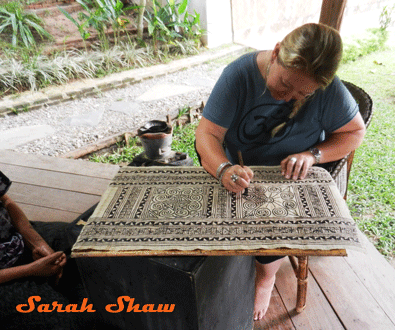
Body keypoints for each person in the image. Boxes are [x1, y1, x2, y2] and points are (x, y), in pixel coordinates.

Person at [195, 23, 366, 320]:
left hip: (286, 173)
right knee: (214, 222)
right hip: (236, 163)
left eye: (303, 93)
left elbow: (354, 132)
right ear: (275, 54)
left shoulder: (330, 91)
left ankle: (266, 276)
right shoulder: (239, 75)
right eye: (285, 85)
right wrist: (223, 168)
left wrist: (313, 155)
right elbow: (207, 134)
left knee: (278, 217)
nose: (288, 98)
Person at [0, 171, 93, 329]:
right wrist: (31, 270)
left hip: (14, 239)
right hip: (6, 276)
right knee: (62, 323)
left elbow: (6, 201)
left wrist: (39, 244)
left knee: (86, 240)